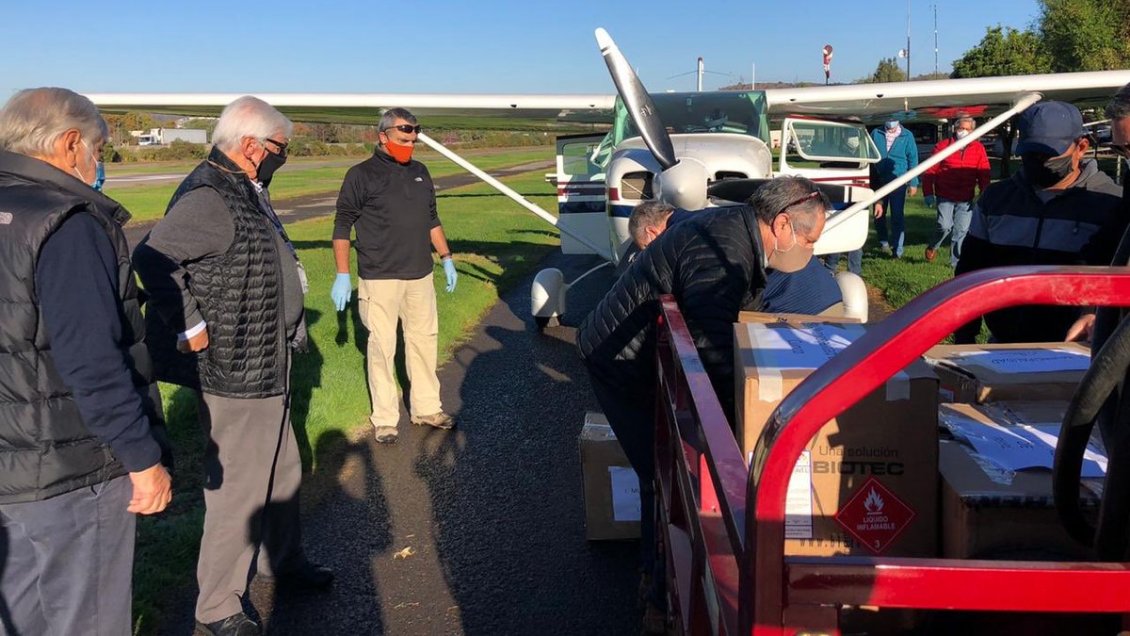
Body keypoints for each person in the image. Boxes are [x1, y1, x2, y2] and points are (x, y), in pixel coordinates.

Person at [577, 177, 830, 630]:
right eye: (809, 239)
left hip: (639, 352)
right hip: (619, 358)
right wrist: (746, 425)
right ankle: (655, 592)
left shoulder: (735, 232)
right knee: (662, 473)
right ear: (783, 223)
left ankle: (652, 580)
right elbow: (712, 349)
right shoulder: (724, 252)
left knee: (667, 467)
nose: (809, 249)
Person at [133, 96, 331, 636]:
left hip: (267, 361)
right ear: (251, 145)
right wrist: (189, 324)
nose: (282, 157)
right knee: (238, 492)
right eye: (279, 149)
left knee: (283, 471)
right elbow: (151, 258)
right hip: (236, 368)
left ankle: (282, 563)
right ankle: (217, 606)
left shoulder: (245, 187)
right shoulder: (210, 195)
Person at [0, 87, 172, 635]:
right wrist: (141, 458)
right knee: (87, 619)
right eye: (97, 149)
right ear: (69, 143)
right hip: (70, 469)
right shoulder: (66, 223)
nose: (98, 163)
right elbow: (92, 360)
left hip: (10, 465)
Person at [331, 108, 457, 443]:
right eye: (404, 139)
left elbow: (432, 218)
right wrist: (342, 273)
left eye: (414, 138)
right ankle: (386, 419)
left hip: (420, 274)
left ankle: (427, 407)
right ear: (383, 137)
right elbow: (343, 224)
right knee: (382, 347)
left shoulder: (420, 171)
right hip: (379, 276)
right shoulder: (360, 175)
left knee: (423, 341)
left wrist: (446, 257)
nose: (410, 143)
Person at [955, 101, 1124, 345]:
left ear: (1081, 147)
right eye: (1029, 154)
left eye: (1048, 155)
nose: (1037, 161)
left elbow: (1116, 282)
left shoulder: (1111, 203)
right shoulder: (997, 200)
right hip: (1002, 345)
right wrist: (965, 337)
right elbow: (970, 271)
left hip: (1077, 348)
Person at [629, 199, 843, 315]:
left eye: (647, 249)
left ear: (651, 233)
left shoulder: (685, 238)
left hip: (798, 312)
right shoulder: (707, 217)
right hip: (829, 298)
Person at [922, 115, 990, 266]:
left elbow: (984, 172)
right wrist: (928, 193)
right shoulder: (943, 146)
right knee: (944, 226)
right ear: (955, 129)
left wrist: (984, 192)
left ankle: (955, 263)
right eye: (961, 128)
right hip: (945, 194)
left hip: (966, 197)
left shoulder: (978, 149)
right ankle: (933, 246)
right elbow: (930, 171)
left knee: (961, 231)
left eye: (967, 129)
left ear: (973, 131)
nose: (964, 132)